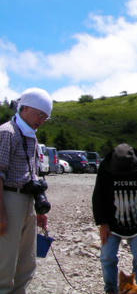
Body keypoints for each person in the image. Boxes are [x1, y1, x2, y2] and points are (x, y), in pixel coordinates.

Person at [0, 87, 53, 293]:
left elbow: (34, 174)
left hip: (27, 201)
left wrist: (40, 211)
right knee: (5, 261)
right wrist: (1, 213)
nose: (42, 120)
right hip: (9, 198)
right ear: (25, 108)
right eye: (40, 114)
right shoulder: (7, 133)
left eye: (45, 117)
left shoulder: (31, 135)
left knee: (26, 262)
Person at [92, 143, 137, 294]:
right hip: (112, 223)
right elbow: (98, 196)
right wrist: (102, 223)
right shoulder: (105, 166)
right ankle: (110, 290)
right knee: (107, 257)